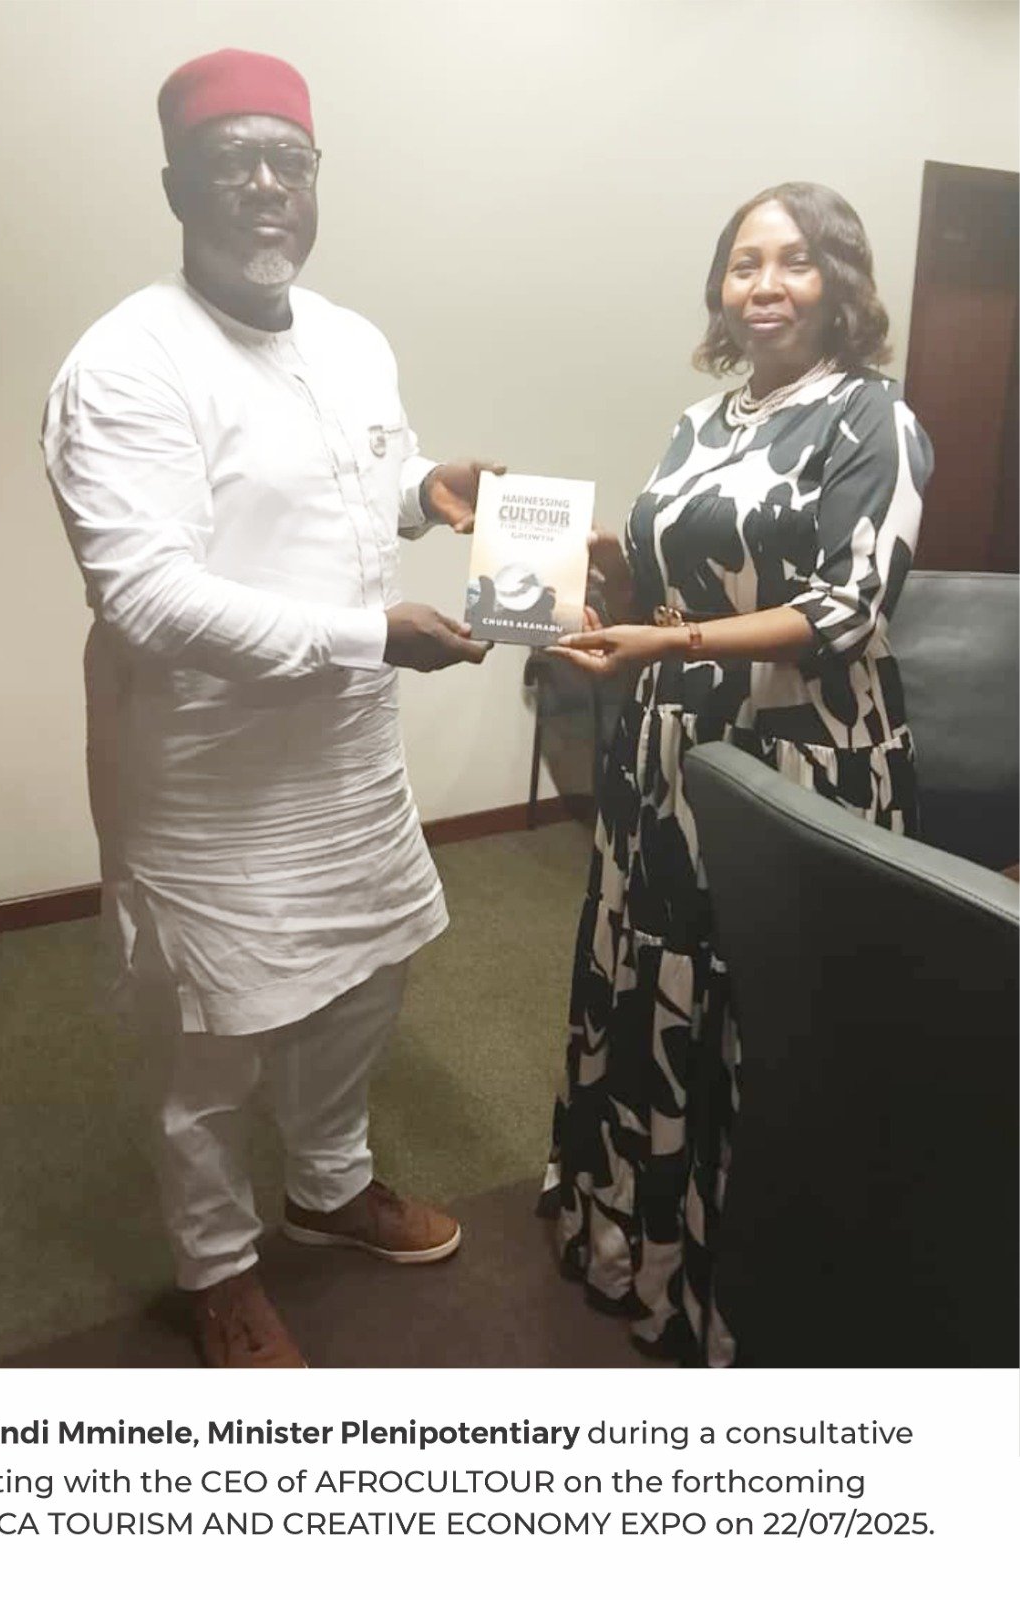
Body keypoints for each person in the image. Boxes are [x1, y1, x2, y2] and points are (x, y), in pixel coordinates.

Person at [41, 49, 502, 1368]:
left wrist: (426, 491)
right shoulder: (126, 363)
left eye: (288, 161)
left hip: (347, 760)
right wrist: (373, 636)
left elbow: (349, 479)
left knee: (368, 975)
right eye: (232, 158)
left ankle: (328, 1186)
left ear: (314, 182)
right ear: (175, 184)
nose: (263, 185)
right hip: (206, 783)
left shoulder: (351, 339)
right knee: (208, 1037)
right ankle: (218, 1268)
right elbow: (148, 596)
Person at [538, 182, 934, 1366]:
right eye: (745, 263)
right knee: (658, 981)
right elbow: (678, 581)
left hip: (794, 758)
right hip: (666, 749)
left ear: (839, 283)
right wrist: (611, 572)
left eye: (795, 262)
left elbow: (848, 609)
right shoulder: (701, 420)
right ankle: (639, 1240)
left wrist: (674, 645)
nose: (766, 285)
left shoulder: (873, 418)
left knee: (752, 1004)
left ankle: (740, 1283)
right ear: (721, 286)